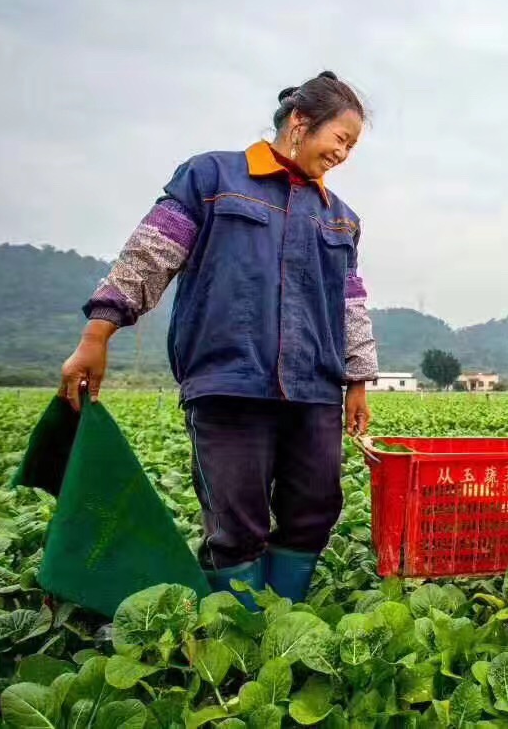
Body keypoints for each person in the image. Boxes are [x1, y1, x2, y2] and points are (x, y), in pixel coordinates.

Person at [59, 71, 378, 605]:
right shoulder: (212, 178)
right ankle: (242, 632)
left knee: (315, 508)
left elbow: (351, 306)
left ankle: (285, 621)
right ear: (301, 123)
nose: (344, 154)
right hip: (229, 380)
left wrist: (358, 381)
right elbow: (150, 255)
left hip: (314, 390)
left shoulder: (340, 218)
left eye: (351, 146)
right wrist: (98, 333)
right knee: (236, 519)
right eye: (340, 139)